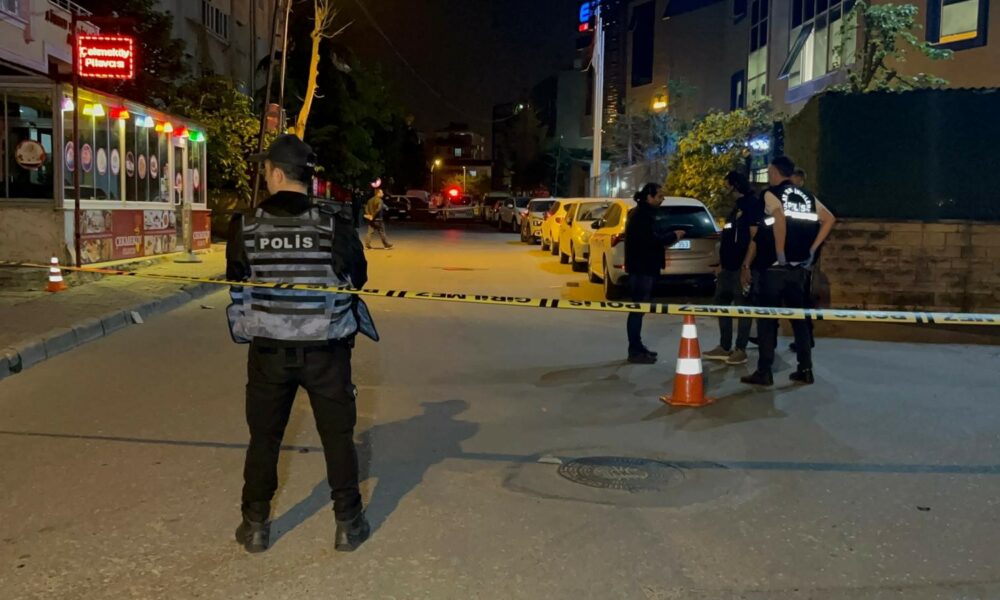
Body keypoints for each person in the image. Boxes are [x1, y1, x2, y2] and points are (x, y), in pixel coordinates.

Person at [226, 134, 379, 553]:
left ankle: (255, 526)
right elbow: (358, 278)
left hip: (268, 351)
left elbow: (236, 277)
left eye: (266, 170)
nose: (265, 177)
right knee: (338, 438)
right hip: (326, 350)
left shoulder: (245, 226)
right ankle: (348, 524)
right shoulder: (334, 225)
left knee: (264, 439)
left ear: (277, 174)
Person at [741, 156, 836, 386]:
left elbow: (779, 219)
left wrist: (780, 252)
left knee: (767, 320)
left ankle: (764, 371)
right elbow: (829, 219)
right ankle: (805, 369)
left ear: (775, 172)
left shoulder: (770, 194)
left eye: (770, 172)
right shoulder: (807, 196)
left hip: (773, 268)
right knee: (799, 320)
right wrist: (812, 250)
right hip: (798, 269)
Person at [704, 171, 762, 366]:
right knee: (721, 302)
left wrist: (746, 266)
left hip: (741, 267)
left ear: (735, 185)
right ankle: (724, 346)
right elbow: (728, 238)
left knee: (743, 306)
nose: (725, 190)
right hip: (728, 267)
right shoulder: (736, 207)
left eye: (727, 185)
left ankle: (740, 349)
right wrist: (721, 263)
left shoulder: (752, 205)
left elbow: (755, 238)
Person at [624, 183, 686, 364]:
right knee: (637, 310)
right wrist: (674, 236)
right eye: (659, 196)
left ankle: (637, 346)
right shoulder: (642, 216)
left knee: (639, 310)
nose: (662, 199)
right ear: (649, 197)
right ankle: (635, 350)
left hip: (644, 268)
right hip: (641, 269)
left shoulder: (644, 214)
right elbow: (652, 241)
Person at [789, 166, 816, 353]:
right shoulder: (806, 200)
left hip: (800, 261)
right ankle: (806, 339)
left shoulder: (805, 200)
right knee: (799, 302)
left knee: (800, 303)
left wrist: (811, 257)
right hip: (802, 259)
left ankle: (806, 340)